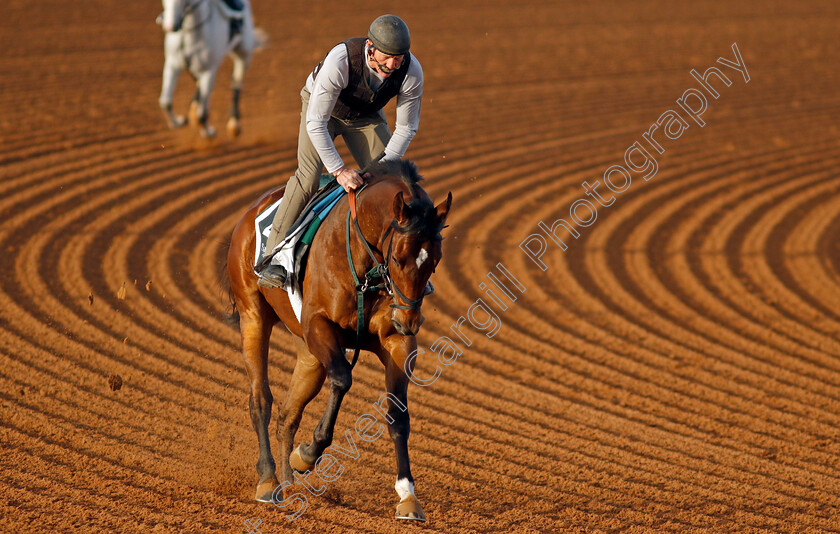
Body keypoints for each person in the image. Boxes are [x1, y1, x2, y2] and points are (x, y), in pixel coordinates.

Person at [258, 14, 424, 288]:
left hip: (365, 117)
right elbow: (315, 122)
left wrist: (382, 168)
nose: (393, 64)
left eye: (399, 58)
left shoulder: (411, 70)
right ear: (370, 45)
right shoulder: (342, 60)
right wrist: (339, 170)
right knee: (308, 176)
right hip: (322, 113)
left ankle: (398, 264)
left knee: (393, 184)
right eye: (386, 56)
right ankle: (273, 257)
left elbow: (406, 128)